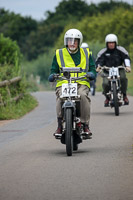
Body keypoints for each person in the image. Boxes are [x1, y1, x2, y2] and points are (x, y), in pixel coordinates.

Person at [48, 28, 96, 138]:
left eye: (75, 40)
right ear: (66, 41)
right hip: (64, 83)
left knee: (83, 96)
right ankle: (60, 125)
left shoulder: (86, 53)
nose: (72, 43)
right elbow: (53, 70)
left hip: (81, 82)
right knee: (61, 97)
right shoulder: (59, 53)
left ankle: (85, 125)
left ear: (79, 42)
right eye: (70, 40)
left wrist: (91, 74)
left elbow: (92, 68)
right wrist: (52, 75)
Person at [96, 33, 131, 106]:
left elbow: (126, 57)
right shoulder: (103, 52)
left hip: (119, 69)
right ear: (106, 43)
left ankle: (124, 95)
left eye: (112, 43)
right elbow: (99, 60)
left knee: (123, 78)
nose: (111, 44)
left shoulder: (121, 50)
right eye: (109, 43)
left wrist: (127, 66)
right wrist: (98, 67)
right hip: (107, 70)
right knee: (105, 83)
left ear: (116, 43)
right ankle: (107, 97)